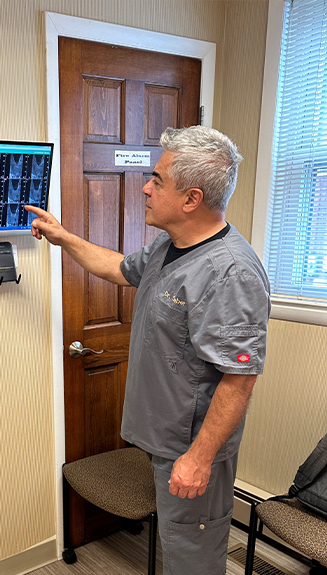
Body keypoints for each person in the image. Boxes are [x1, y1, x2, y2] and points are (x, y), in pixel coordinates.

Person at [26, 125, 270, 575]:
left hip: (192, 445)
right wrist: (64, 238)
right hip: (164, 440)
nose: (145, 186)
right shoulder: (168, 244)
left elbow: (239, 380)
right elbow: (119, 268)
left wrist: (198, 459)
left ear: (191, 199)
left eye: (158, 179)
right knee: (176, 551)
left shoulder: (231, 273)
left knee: (193, 559)